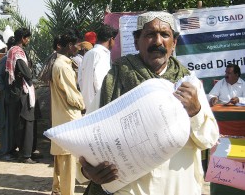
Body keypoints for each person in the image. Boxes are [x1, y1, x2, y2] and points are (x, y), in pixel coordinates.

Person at [78, 11, 219, 195]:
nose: (158, 41)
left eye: (165, 35)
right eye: (150, 34)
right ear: (137, 41)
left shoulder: (188, 84)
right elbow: (86, 138)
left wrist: (196, 112)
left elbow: (209, 140)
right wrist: (87, 170)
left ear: (174, 43)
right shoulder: (116, 78)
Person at [50, 30, 85, 195]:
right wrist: (83, 105)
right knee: (68, 159)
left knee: (61, 156)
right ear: (68, 46)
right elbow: (72, 95)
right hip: (69, 116)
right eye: (76, 44)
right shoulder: (62, 66)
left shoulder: (61, 64)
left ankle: (57, 188)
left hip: (62, 115)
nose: (78, 48)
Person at [5, 28, 36, 164]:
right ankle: (26, 154)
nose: (28, 40)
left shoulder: (13, 51)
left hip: (18, 91)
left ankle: (25, 152)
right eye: (27, 38)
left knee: (22, 123)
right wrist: (28, 72)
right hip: (22, 91)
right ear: (23, 38)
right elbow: (28, 74)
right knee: (25, 123)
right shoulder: (17, 52)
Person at [78, 24, 118, 111]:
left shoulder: (88, 54)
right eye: (114, 40)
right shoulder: (101, 55)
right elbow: (99, 81)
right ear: (111, 39)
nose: (114, 43)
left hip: (87, 104)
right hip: (98, 105)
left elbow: (80, 79)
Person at [0, 36, 16, 160]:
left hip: (12, 97)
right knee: (5, 124)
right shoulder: (6, 59)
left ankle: (10, 149)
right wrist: (5, 91)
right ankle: (4, 151)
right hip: (6, 97)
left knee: (12, 124)